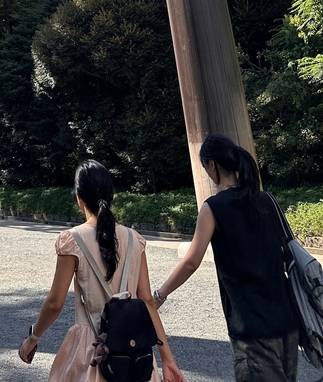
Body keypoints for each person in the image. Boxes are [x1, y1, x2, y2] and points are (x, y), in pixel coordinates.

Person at [18, 160, 186, 382]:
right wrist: (168, 359)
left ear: (79, 198)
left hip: (91, 348)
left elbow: (55, 302)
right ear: (111, 196)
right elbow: (146, 301)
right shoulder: (134, 239)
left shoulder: (72, 241)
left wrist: (33, 337)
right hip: (133, 352)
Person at [154, 134, 300, 382]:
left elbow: (192, 261)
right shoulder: (267, 201)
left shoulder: (213, 208)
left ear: (212, 165)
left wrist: (159, 294)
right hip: (287, 323)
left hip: (252, 327)